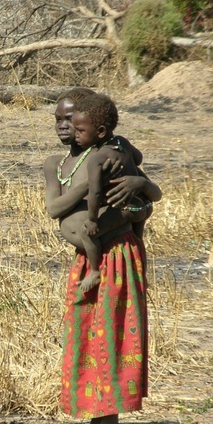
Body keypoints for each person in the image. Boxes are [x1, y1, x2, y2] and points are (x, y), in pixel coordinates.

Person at [44, 88, 162, 424]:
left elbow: (145, 203)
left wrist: (139, 185)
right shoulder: (62, 163)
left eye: (72, 120)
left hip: (116, 256)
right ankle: (97, 419)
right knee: (88, 334)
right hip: (89, 260)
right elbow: (56, 209)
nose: (66, 127)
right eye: (60, 120)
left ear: (94, 127)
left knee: (111, 334)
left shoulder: (111, 156)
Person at [70, 93, 153, 291]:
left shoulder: (96, 159)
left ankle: (96, 272)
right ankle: (143, 275)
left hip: (124, 210)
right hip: (143, 207)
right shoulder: (122, 142)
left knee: (87, 234)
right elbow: (139, 158)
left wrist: (91, 220)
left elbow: (95, 194)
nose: (76, 135)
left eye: (80, 131)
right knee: (138, 241)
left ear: (99, 131)